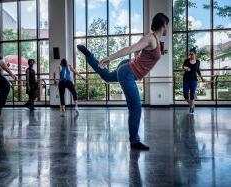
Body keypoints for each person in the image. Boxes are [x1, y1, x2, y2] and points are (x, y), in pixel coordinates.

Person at [77, 13, 169, 150]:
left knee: (107, 77)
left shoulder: (155, 41)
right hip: (128, 72)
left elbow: (141, 54)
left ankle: (89, 56)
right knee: (136, 108)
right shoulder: (150, 38)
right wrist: (110, 57)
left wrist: (161, 52)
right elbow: (131, 49)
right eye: (167, 24)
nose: (168, 27)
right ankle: (134, 141)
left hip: (127, 68)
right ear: (163, 25)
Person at [183, 47, 204, 114]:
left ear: (195, 54)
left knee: (192, 93)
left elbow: (198, 70)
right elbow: (183, 66)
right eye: (190, 54)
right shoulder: (186, 60)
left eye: (192, 54)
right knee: (185, 94)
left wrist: (201, 78)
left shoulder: (198, 62)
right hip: (186, 79)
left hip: (194, 80)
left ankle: (191, 108)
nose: (191, 55)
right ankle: (191, 104)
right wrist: (186, 68)